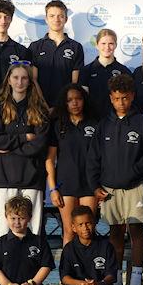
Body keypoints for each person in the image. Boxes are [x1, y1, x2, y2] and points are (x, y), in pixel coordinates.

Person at [87, 73, 143, 285]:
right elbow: (93, 158)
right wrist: (95, 185)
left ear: (132, 96)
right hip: (109, 190)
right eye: (117, 98)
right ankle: (116, 279)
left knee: (136, 231)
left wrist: (133, 173)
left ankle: (135, 281)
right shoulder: (103, 125)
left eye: (125, 98)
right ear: (110, 98)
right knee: (115, 234)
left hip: (135, 187)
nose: (121, 102)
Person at [0, 63, 50, 238]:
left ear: (30, 82)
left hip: (32, 176)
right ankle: (4, 266)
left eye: (24, 78)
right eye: (16, 77)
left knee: (34, 230)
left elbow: (39, 145)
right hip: (4, 177)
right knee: (4, 232)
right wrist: (24, 138)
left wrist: (8, 148)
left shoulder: (39, 110)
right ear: (9, 80)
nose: (20, 82)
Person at [46, 84, 98, 245]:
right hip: (66, 185)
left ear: (84, 100)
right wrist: (53, 189)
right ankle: (67, 270)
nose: (75, 103)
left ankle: (89, 270)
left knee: (88, 232)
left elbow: (101, 157)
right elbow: (49, 159)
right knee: (69, 230)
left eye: (78, 99)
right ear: (65, 103)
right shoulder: (58, 125)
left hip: (90, 185)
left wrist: (100, 185)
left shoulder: (95, 124)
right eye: (70, 100)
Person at [29, 0, 85, 108]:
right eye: (52, 16)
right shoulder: (35, 47)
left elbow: (74, 83)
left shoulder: (76, 47)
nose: (56, 19)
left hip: (65, 108)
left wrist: (61, 106)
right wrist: (43, 104)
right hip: (39, 107)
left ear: (66, 19)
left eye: (60, 16)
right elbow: (33, 79)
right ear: (46, 19)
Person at [78, 28, 131, 118]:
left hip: (116, 122)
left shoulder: (124, 71)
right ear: (97, 45)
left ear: (115, 45)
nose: (107, 47)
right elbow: (83, 99)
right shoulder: (86, 71)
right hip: (92, 120)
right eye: (103, 43)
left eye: (111, 43)